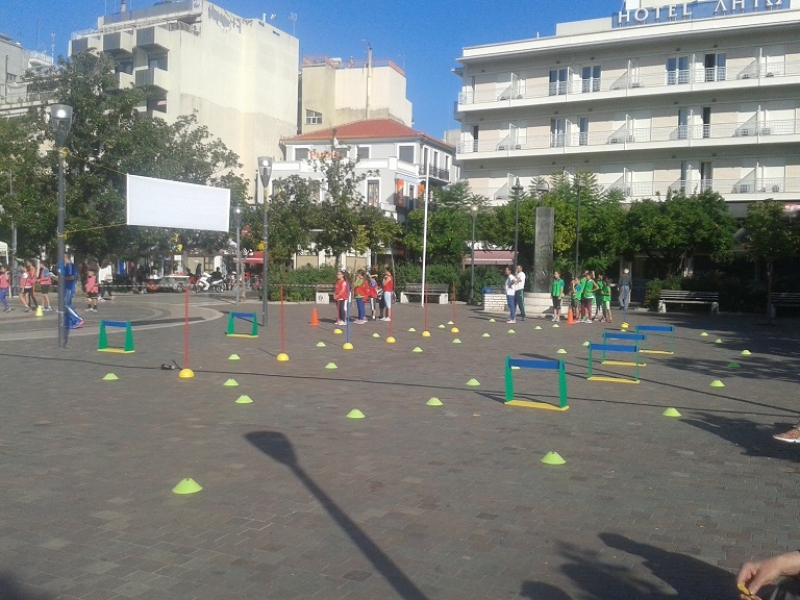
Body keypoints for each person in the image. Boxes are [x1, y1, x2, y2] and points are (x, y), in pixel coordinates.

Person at [61, 254, 83, 329]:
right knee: (66, 305)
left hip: (69, 288)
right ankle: (69, 322)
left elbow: (71, 277)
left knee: (66, 305)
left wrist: (62, 278)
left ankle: (78, 319)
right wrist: (53, 277)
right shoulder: (66, 266)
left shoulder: (70, 265)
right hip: (66, 288)